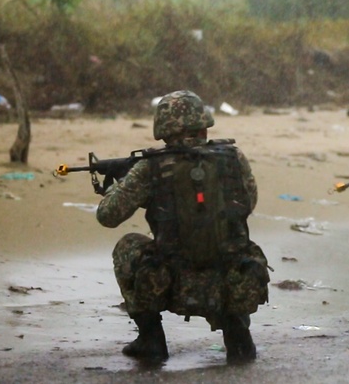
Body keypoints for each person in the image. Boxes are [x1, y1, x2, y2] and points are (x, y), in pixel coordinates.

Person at [96, 90, 269, 363]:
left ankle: (151, 339)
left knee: (127, 245)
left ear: (164, 127)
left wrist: (118, 189)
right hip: (230, 277)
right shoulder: (233, 158)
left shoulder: (150, 168)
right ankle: (238, 338)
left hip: (172, 278)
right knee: (239, 248)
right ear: (203, 123)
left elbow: (107, 216)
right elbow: (248, 203)